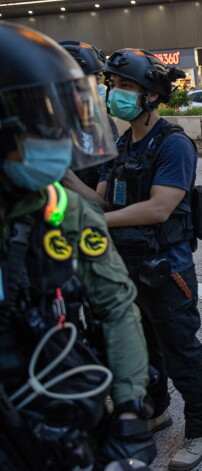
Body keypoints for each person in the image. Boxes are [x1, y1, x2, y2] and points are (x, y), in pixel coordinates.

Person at [0, 23, 154, 469]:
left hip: (47, 396)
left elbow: (116, 304)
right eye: (38, 124)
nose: (55, 138)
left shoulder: (61, 208)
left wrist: (129, 410)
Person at [69, 48, 202, 470]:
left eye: (127, 87)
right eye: (114, 85)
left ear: (152, 95)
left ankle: (200, 429)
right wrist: (64, 177)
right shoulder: (122, 142)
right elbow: (100, 200)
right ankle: (157, 410)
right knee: (146, 348)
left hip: (167, 270)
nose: (116, 93)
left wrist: (103, 225)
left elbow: (158, 208)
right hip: (131, 265)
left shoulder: (173, 144)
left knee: (180, 351)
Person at [59, 40, 119, 191]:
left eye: (99, 79)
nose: (99, 86)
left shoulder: (104, 123)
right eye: (94, 79)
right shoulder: (44, 127)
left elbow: (109, 172)